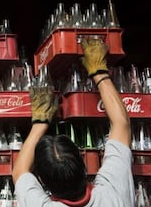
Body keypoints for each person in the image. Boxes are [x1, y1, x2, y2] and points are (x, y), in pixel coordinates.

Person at [12, 38, 135, 207]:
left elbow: (19, 172)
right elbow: (122, 124)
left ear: (42, 181)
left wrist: (40, 122)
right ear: (83, 166)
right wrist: (99, 72)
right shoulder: (113, 194)